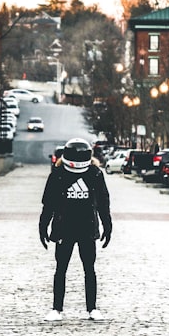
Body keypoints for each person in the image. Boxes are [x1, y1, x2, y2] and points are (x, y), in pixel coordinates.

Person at [39, 137, 112, 321]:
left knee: (89, 269)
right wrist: (43, 226)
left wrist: (107, 225)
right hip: (64, 228)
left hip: (87, 228)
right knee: (61, 268)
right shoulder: (58, 174)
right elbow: (48, 204)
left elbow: (103, 203)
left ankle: (92, 308)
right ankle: (56, 309)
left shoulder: (95, 174)